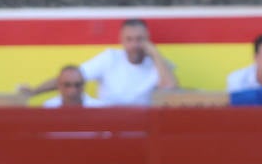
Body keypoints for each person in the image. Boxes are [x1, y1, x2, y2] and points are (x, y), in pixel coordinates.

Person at [19, 18, 176, 105]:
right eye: (129, 39)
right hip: (107, 125)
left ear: (148, 40)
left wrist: (155, 54)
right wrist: (34, 92)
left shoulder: (159, 63)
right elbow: (71, 78)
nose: (134, 45)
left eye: (139, 39)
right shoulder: (110, 58)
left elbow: (170, 89)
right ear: (121, 41)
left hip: (143, 127)